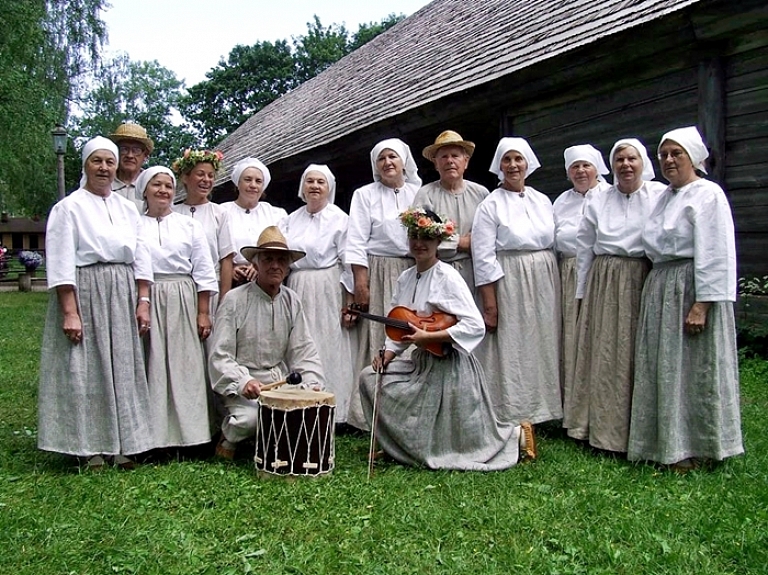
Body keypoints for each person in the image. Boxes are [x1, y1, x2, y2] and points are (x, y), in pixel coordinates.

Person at [358, 207, 536, 470]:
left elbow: (474, 324)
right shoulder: (406, 278)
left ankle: (517, 435)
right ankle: (396, 443)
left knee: (463, 438)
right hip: (420, 363)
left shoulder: (448, 277)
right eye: (414, 237)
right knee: (369, 378)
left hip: (450, 365)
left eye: (426, 238)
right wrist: (388, 353)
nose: (419, 244)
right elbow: (400, 325)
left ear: (438, 242)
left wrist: (430, 334)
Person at [628, 126, 743, 470]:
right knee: (663, 366)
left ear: (693, 157)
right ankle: (665, 442)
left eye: (676, 153)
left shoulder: (708, 194)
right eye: (663, 154)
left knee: (694, 368)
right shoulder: (664, 197)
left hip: (692, 285)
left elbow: (716, 249)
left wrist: (702, 303)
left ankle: (699, 446)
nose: (668, 160)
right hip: (663, 284)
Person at [38, 136, 154, 470]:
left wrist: (142, 299)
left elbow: (141, 253)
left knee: (122, 364)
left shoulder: (126, 208)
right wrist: (70, 311)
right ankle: (88, 447)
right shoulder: (68, 208)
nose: (104, 168)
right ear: (86, 165)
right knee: (87, 367)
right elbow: (60, 262)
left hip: (121, 288)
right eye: (97, 161)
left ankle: (124, 444)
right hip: (85, 287)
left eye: (109, 162)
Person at [565, 139, 666, 453]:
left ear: (642, 162)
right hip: (604, 279)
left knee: (637, 354)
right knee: (605, 354)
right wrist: (581, 294)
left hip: (642, 276)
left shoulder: (659, 195)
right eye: (619, 159)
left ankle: (637, 429)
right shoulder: (600, 201)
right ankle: (601, 429)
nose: (625, 165)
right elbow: (584, 249)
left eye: (631, 159)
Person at [208, 226, 325, 459]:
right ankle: (228, 437)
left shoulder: (292, 300)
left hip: (278, 381)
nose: (275, 265)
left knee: (308, 410)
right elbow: (220, 356)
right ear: (255, 264)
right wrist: (244, 381)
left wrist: (312, 383)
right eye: (268, 259)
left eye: (281, 260)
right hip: (240, 387)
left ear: (288, 266)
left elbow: (304, 350)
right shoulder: (234, 300)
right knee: (252, 419)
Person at [471, 137, 562, 425]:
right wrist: (490, 304)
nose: (513, 165)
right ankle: (513, 410)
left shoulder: (542, 199)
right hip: (510, 278)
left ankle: (546, 409)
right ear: (499, 166)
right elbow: (483, 256)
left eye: (518, 159)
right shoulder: (490, 205)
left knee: (544, 340)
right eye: (507, 160)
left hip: (545, 277)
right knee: (513, 344)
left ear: (528, 163)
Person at [137, 166, 218, 451]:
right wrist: (142, 301)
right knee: (153, 364)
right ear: (144, 190)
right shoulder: (135, 225)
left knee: (187, 365)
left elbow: (205, 271)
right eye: (156, 185)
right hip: (149, 296)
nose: (163, 191)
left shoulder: (189, 225)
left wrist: (203, 311)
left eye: (168, 186)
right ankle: (154, 438)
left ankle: (192, 436)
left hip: (184, 296)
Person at [343, 138, 421, 429]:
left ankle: (411, 411)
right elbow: (356, 240)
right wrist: (360, 284)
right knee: (380, 338)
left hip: (413, 269)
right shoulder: (365, 194)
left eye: (393, 157)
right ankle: (372, 415)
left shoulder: (418, 191)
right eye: (382, 159)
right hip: (379, 269)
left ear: (404, 161)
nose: (388, 162)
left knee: (411, 335)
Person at [278, 164, 358, 425]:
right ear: (302, 187)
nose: (314, 186)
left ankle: (334, 408)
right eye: (309, 181)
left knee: (329, 342)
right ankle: (298, 401)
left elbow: (348, 261)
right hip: (297, 284)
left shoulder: (340, 219)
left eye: (320, 182)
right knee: (300, 342)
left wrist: (349, 302)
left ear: (329, 188)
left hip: (327, 285)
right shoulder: (290, 219)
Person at [553, 144, 611, 417]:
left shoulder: (609, 195)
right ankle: (570, 403)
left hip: (598, 273)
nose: (580, 171)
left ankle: (597, 402)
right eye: (575, 166)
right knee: (571, 336)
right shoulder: (561, 201)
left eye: (586, 165)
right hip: (566, 272)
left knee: (597, 335)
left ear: (597, 167)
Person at [412, 130, 490, 291]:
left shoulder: (481, 193)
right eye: (444, 157)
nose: (450, 161)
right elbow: (421, 239)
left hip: (475, 273)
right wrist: (460, 242)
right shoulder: (425, 194)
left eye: (455, 156)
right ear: (436, 163)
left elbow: (490, 236)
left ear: (466, 161)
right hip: (438, 272)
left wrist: (475, 244)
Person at [172, 149, 235, 307]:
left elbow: (226, 259)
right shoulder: (173, 212)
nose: (206, 180)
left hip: (211, 288)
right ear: (185, 177)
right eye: (200, 174)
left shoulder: (220, 213)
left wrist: (224, 299)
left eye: (210, 175)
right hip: (180, 287)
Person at [221, 157, 287, 296]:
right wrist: (230, 269)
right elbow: (213, 249)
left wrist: (259, 266)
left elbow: (283, 250)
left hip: (266, 281)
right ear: (238, 183)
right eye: (247, 179)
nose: (253, 185)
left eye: (258, 181)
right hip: (231, 282)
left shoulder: (276, 214)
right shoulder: (222, 212)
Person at [108, 123, 153, 209]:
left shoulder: (153, 185)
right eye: (124, 149)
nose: (130, 155)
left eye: (136, 150)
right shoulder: (104, 182)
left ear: (145, 156)